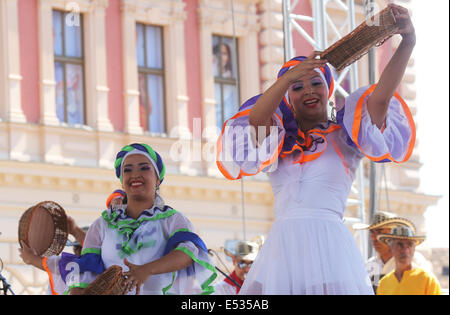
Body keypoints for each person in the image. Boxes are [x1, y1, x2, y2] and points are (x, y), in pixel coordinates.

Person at [216, 4, 416, 294]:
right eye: (296, 87)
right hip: (283, 253)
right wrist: (286, 77)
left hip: (331, 251)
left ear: (328, 90)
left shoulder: (348, 136)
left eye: (315, 83)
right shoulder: (277, 140)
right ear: (287, 96)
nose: (308, 90)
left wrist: (407, 42)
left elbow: (382, 99)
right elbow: (257, 117)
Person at [65, 143, 217, 295]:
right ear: (122, 181)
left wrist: (146, 270)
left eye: (144, 168)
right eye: (127, 170)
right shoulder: (103, 224)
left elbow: (188, 252)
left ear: (158, 179)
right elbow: (86, 268)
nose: (135, 174)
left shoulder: (172, 220)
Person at [354, 211, 433, 293]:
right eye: (372, 232)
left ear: (391, 235)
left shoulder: (416, 262)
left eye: (380, 232)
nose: (374, 238)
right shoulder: (369, 265)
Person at [18, 216, 87, 295]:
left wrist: (30, 257)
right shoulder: (101, 266)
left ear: (76, 249)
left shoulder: (67, 264)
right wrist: (75, 230)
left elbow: (30, 259)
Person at [376, 226, 441, 295]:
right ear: (391, 247)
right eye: (400, 244)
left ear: (414, 248)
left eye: (410, 244)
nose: (405, 250)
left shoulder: (428, 280)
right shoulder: (384, 284)